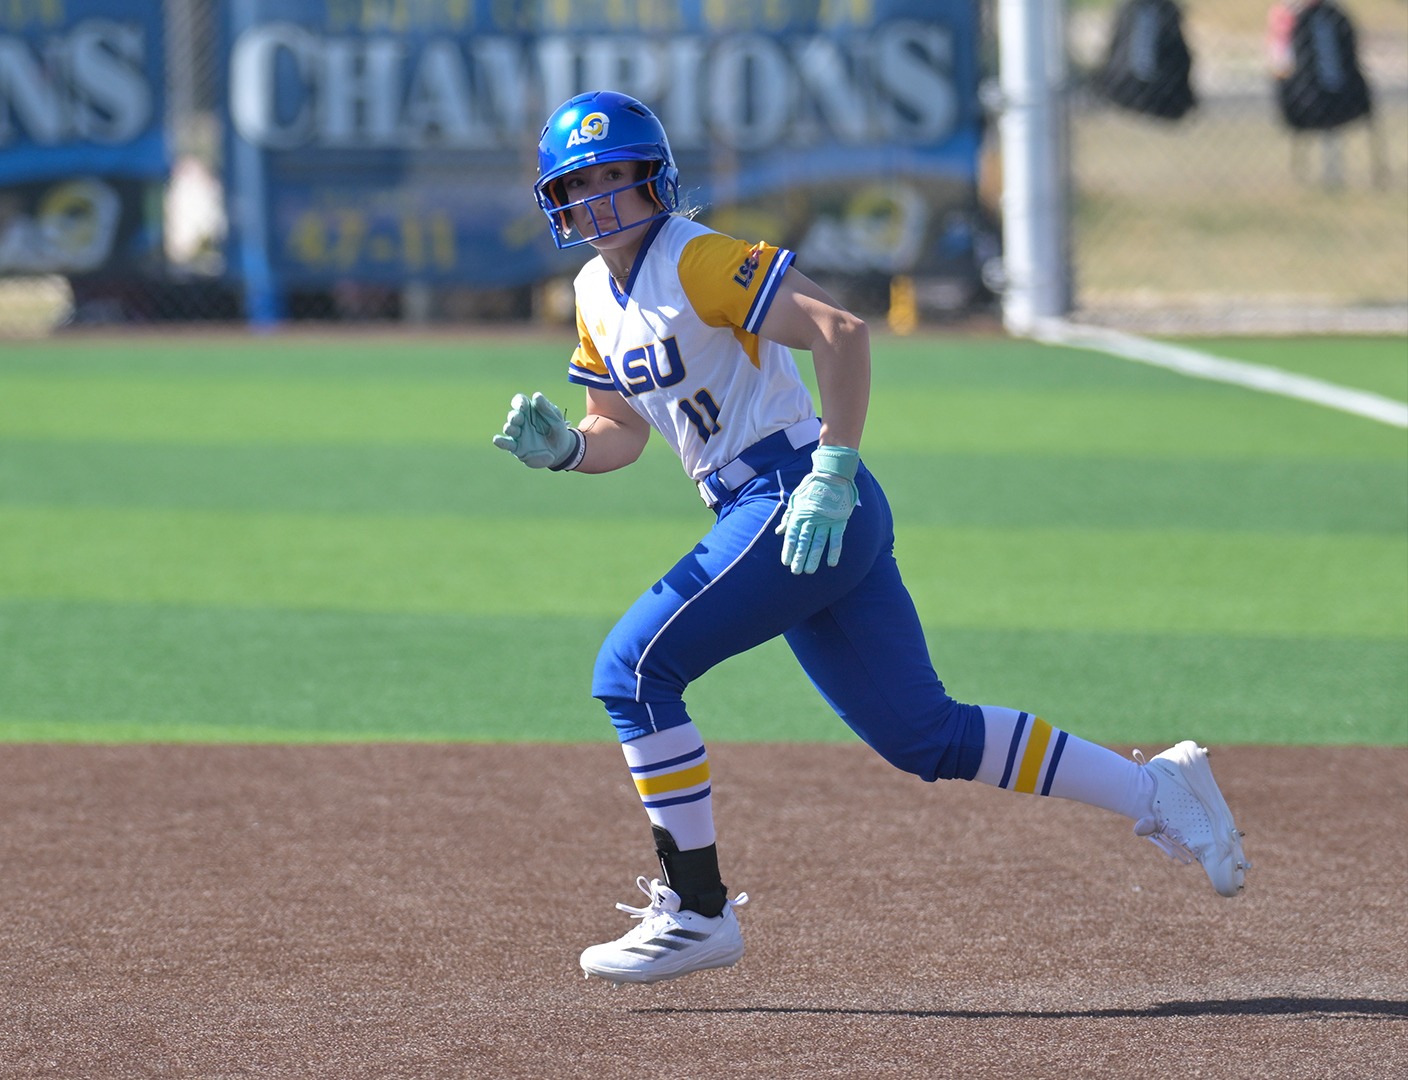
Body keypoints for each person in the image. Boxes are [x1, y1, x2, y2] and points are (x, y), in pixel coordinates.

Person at [492, 91, 1250, 988]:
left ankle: (697, 910)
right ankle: (1159, 791)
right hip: (769, 507)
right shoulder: (592, 290)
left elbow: (839, 330)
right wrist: (568, 449)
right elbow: (618, 428)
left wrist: (834, 468)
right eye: (579, 183)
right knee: (925, 736)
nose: (598, 197)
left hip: (796, 491)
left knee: (631, 673)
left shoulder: (694, 258)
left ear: (655, 178)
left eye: (615, 175)